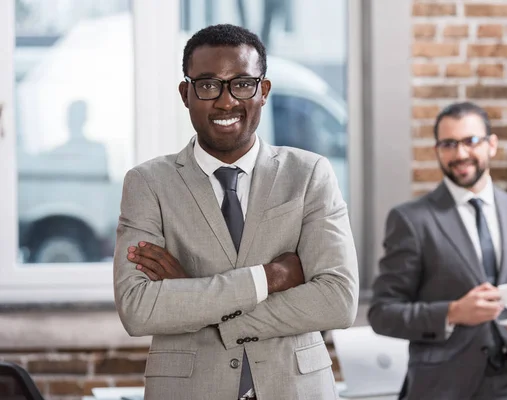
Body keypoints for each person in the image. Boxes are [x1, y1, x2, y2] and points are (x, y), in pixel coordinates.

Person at [113, 24, 359, 400]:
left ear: (264, 91)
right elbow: (138, 309)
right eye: (208, 85)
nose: (226, 101)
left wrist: (192, 299)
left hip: (295, 388)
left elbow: (338, 300)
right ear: (186, 93)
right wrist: (268, 277)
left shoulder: (308, 174)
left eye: (242, 84)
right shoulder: (148, 183)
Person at [368, 101, 507, 400]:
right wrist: (454, 312)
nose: (460, 154)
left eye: (470, 141)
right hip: (445, 384)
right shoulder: (411, 220)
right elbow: (383, 313)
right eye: (448, 144)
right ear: (437, 150)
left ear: (492, 145)